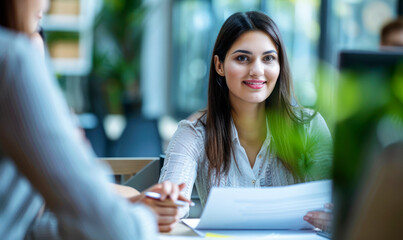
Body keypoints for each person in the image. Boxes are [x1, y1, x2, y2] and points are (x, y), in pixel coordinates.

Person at [0, 0, 189, 239]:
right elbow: (114, 229)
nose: (47, 4)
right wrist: (139, 218)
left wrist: (131, 210)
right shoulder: (13, 59)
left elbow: (24, 228)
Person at [159, 11, 333, 230]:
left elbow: (335, 203)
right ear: (219, 66)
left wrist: (336, 216)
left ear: (280, 66)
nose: (257, 71)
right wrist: (167, 207)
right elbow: (172, 205)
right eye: (242, 58)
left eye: (268, 58)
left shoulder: (309, 127)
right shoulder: (193, 135)